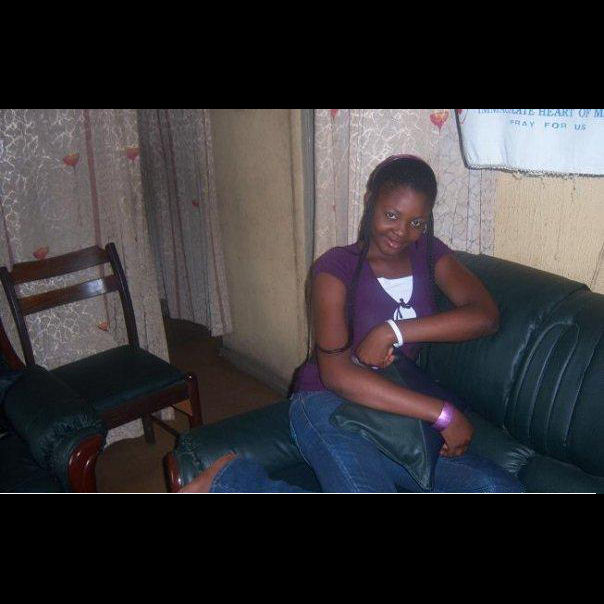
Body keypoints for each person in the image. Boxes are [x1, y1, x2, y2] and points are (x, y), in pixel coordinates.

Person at [180, 155, 524, 493]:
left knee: (496, 487)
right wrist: (442, 414)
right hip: (327, 401)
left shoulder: (431, 254)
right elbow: (336, 374)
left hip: (394, 406)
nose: (402, 232)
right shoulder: (336, 267)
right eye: (392, 215)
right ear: (370, 201)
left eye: (417, 223)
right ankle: (230, 480)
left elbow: (485, 316)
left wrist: (392, 331)